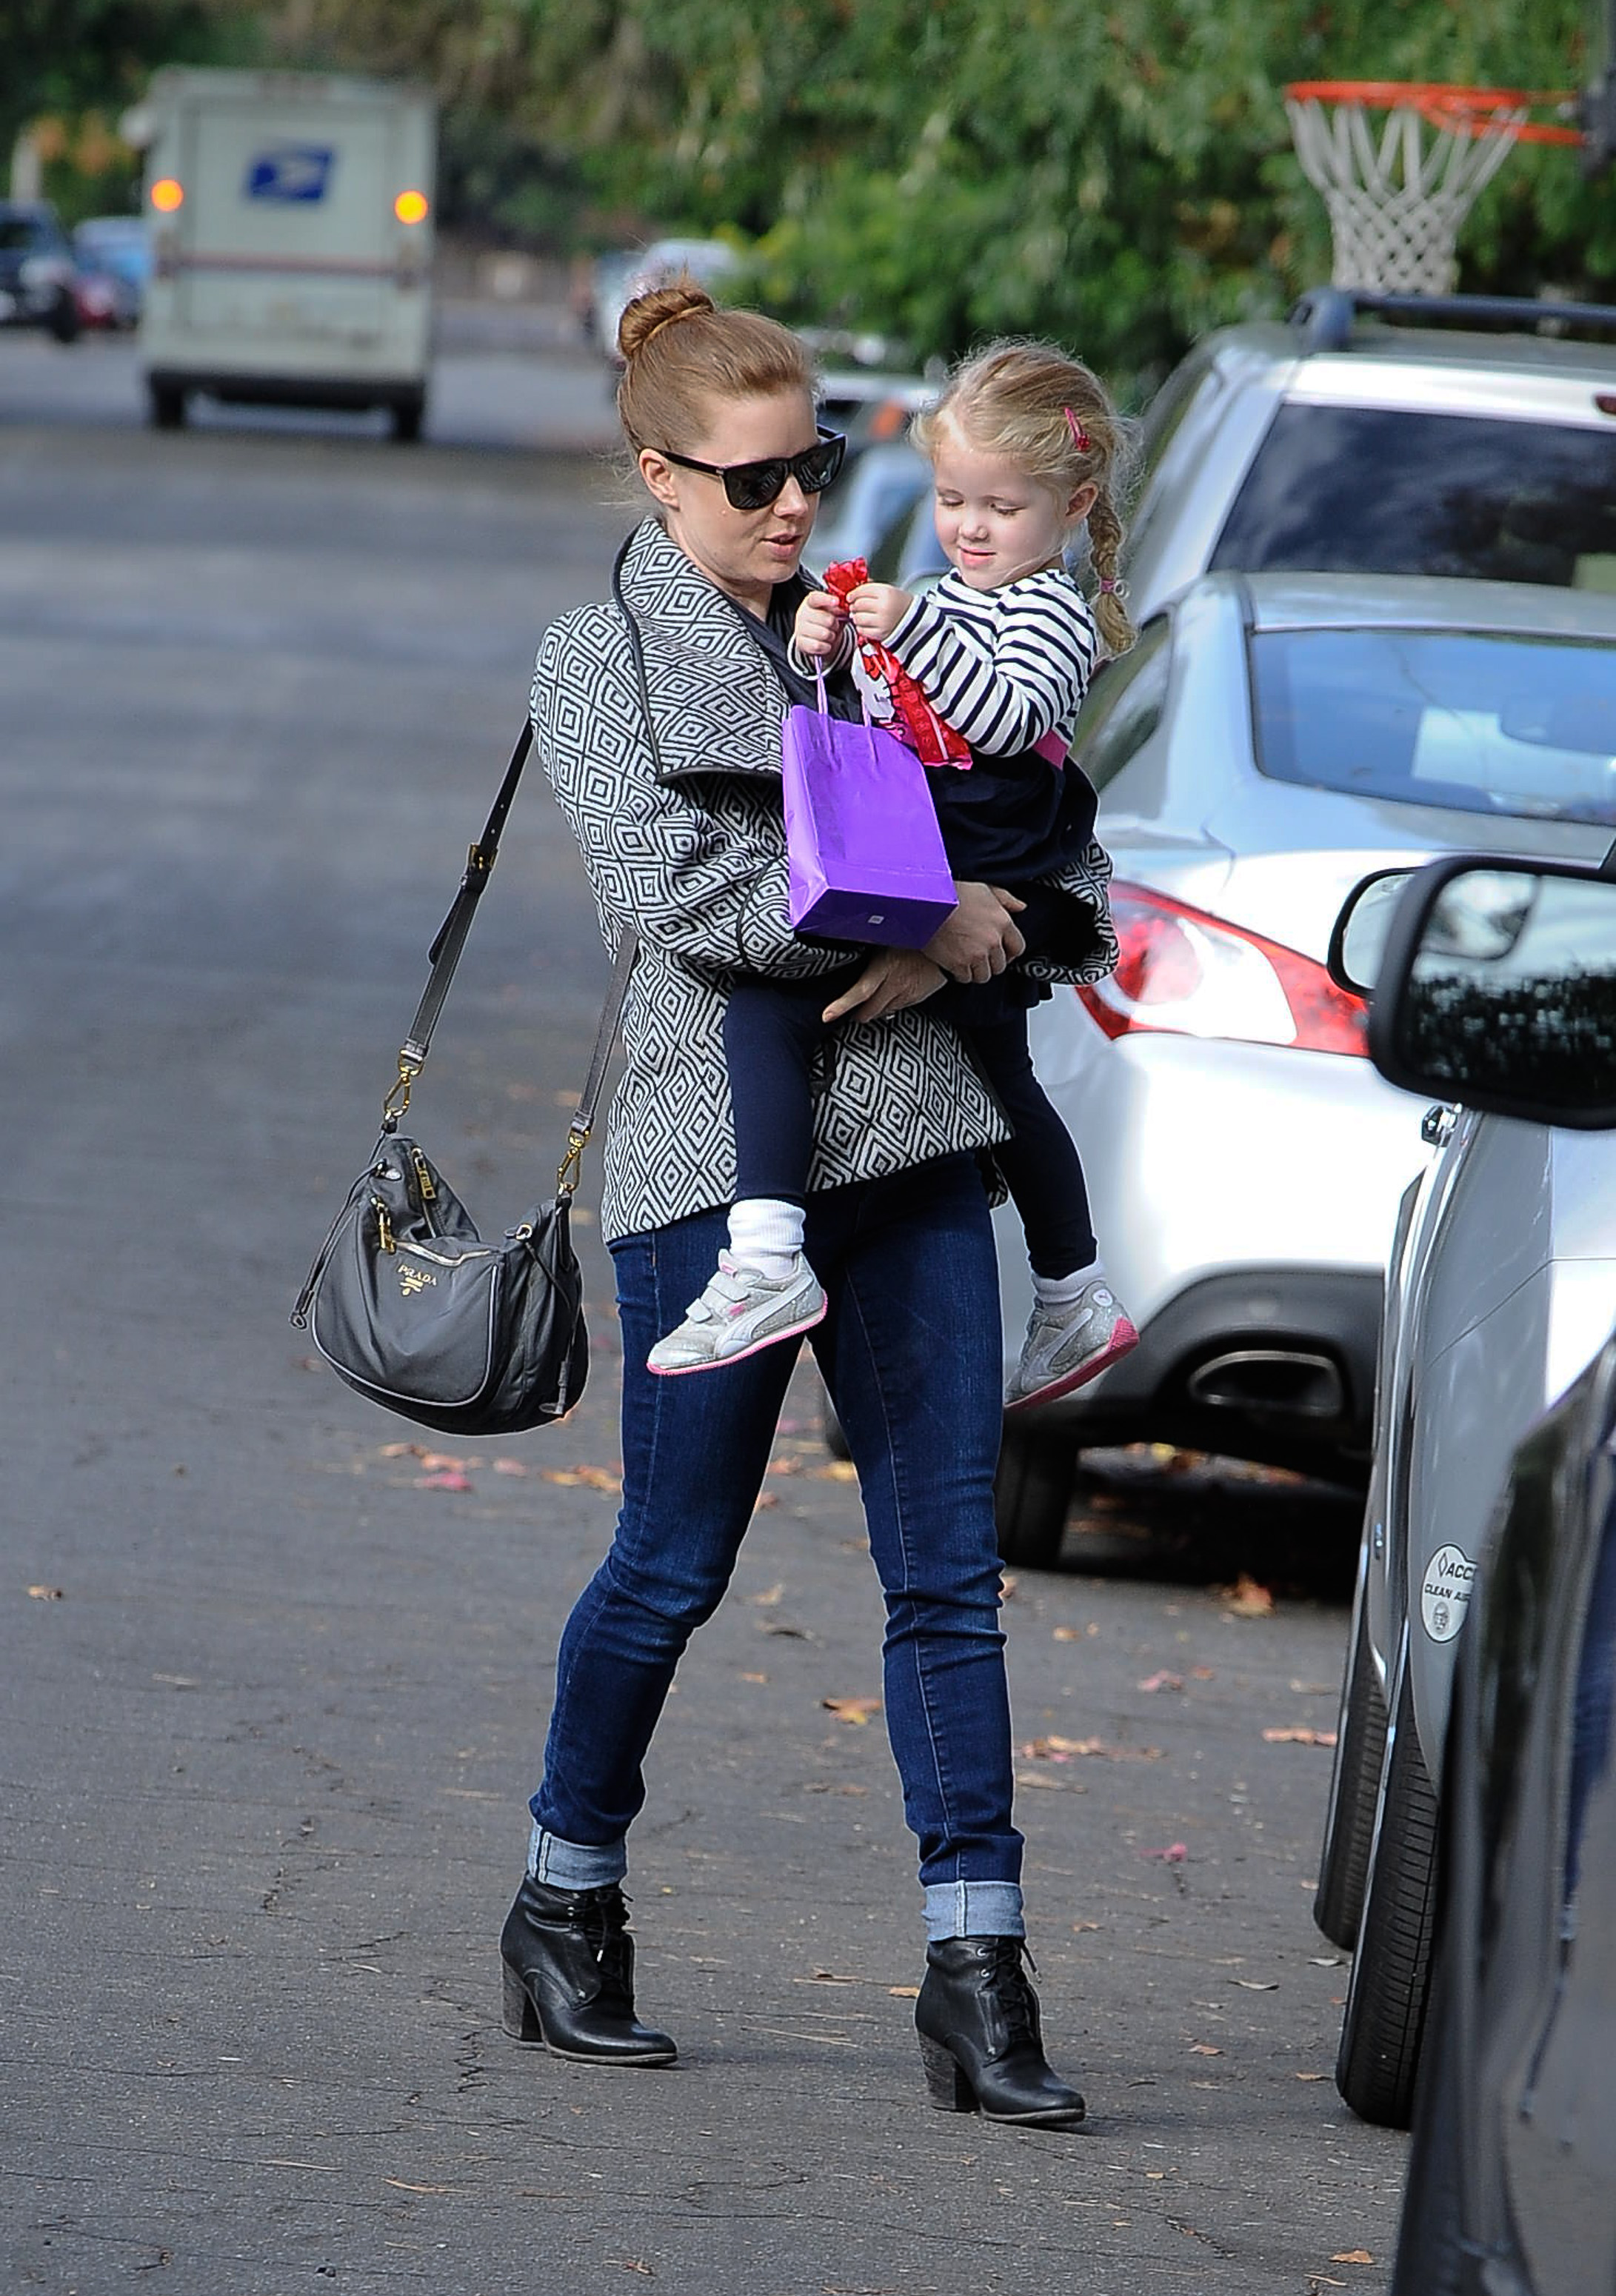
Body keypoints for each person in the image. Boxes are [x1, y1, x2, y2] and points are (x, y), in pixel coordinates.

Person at [507, 281, 1102, 2124]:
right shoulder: (594, 657)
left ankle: (979, 1972)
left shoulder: (900, 625)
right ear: (657, 474)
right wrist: (915, 916)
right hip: (714, 1167)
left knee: (946, 1578)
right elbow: (671, 892)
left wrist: (986, 929)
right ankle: (564, 1896)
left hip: (914, 1145)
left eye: (813, 466)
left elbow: (1066, 860)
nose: (793, 506)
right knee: (670, 1564)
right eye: (754, 479)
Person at [649, 340, 1138, 1413]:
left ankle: (780, 1256)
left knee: (790, 1018)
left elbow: (1001, 715)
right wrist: (828, 650)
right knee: (1000, 1081)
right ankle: (1065, 1292)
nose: (970, 527)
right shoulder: (952, 592)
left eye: (1001, 507)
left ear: (1071, 506)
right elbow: (887, 708)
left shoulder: (1052, 613)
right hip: (936, 846)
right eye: (953, 500)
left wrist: (911, 630)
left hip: (985, 846)